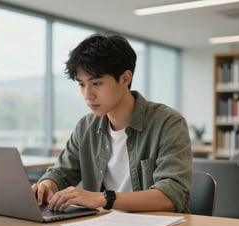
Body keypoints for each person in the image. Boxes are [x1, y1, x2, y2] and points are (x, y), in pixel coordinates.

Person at [32, 32, 192, 213]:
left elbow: (171, 195)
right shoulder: (86, 127)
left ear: (125, 79)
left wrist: (102, 199)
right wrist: (47, 185)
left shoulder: (168, 123)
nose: (87, 95)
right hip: (102, 225)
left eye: (97, 83)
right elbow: (60, 173)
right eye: (82, 84)